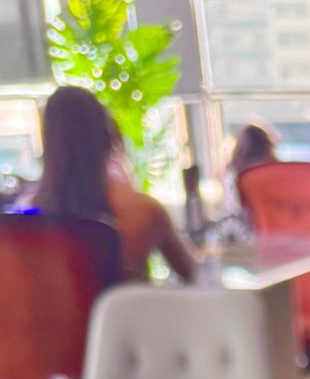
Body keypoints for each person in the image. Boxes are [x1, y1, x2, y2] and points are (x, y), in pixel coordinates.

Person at [33, 85, 194, 283]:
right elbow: (194, 275)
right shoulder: (145, 211)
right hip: (130, 305)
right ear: (109, 137)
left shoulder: (27, 222)